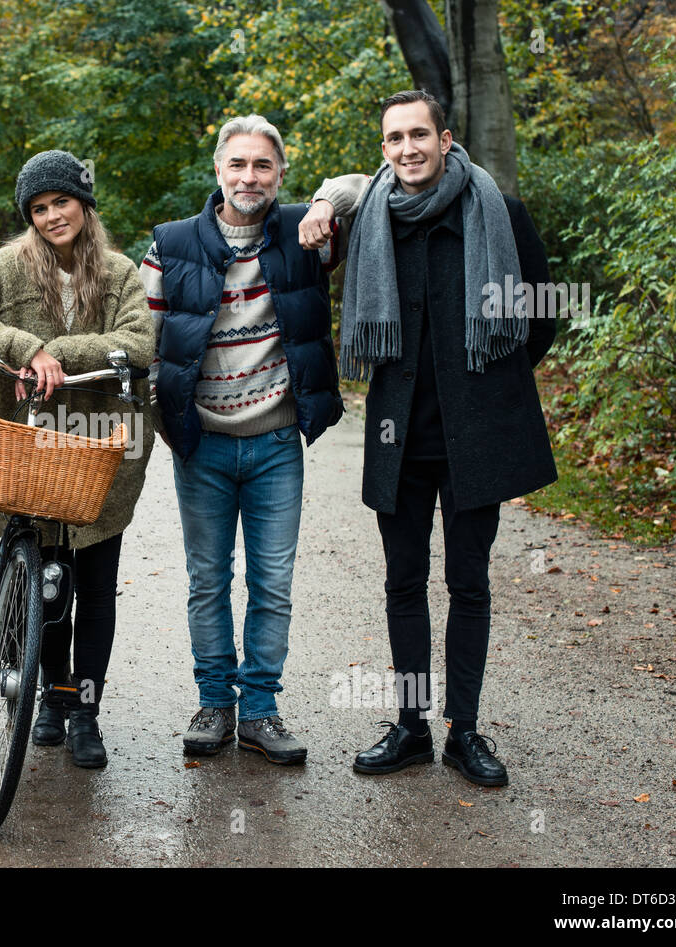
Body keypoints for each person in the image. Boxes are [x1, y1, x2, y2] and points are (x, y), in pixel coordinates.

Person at [310, 90, 557, 787]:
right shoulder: (371, 218)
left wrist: (487, 384)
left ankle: (465, 731)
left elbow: (539, 315)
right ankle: (412, 727)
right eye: (395, 139)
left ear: (445, 138)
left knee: (468, 582)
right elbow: (316, 234)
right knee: (403, 581)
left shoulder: (498, 211)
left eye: (420, 134)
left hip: (477, 432)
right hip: (399, 433)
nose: (408, 148)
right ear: (383, 149)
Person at [0, 150, 154, 768]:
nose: (53, 216)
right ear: (28, 217)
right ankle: (51, 697)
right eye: (40, 208)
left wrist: (59, 351)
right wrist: (23, 346)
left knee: (98, 585)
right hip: (29, 448)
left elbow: (139, 342)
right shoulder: (8, 266)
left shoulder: (118, 271)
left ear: (85, 204)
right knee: (49, 584)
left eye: (62, 202)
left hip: (101, 445)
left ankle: (86, 709)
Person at [140, 115, 344, 765]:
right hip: (202, 443)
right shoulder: (169, 245)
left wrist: (324, 201)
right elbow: (146, 347)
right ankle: (214, 703)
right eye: (237, 165)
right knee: (207, 580)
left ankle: (259, 709)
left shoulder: (307, 236)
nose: (249, 176)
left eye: (263, 166)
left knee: (273, 581)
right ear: (218, 171)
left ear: (281, 173)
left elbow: (369, 184)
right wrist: (166, 421)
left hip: (277, 441)